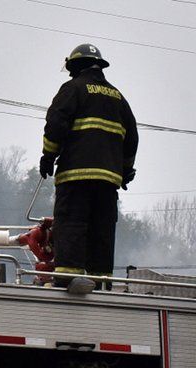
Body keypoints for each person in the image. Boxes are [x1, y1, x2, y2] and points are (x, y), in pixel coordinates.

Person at [39, 43, 138, 285]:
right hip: (108, 184)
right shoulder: (119, 98)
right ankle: (101, 284)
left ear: (76, 66)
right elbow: (132, 138)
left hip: (76, 179)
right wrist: (125, 170)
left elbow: (56, 125)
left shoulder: (72, 89)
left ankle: (68, 281)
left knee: (71, 226)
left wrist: (48, 156)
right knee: (101, 233)